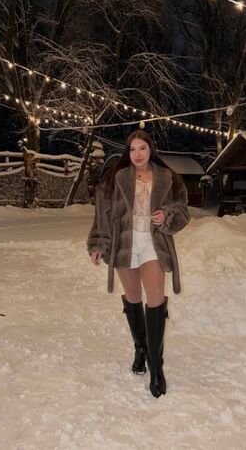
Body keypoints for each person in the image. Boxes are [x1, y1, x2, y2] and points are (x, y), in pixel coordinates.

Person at [87, 130, 190, 398]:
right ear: (127, 152)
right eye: (132, 149)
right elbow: (102, 215)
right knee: (133, 298)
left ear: (150, 149)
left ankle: (156, 366)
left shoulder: (168, 177)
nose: (137, 154)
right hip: (124, 243)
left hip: (152, 243)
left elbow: (182, 209)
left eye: (142, 148)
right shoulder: (115, 178)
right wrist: (98, 243)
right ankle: (141, 348)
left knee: (155, 299)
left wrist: (167, 214)